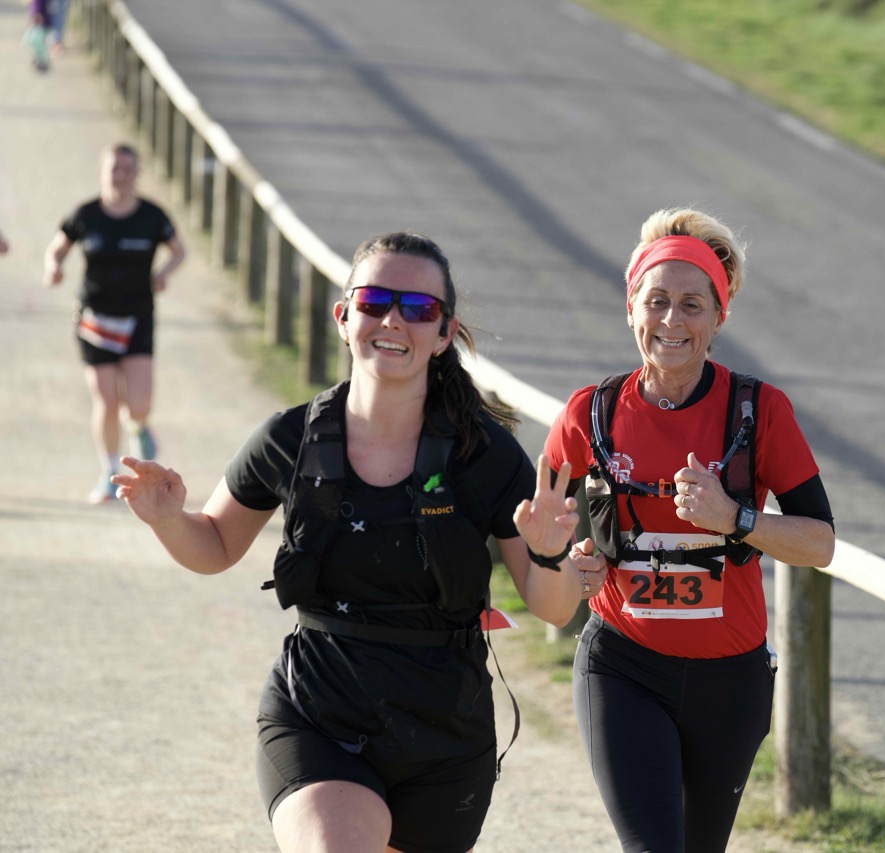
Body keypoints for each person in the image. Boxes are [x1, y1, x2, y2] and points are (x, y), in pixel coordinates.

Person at [112, 231, 604, 853]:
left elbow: (552, 607)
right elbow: (213, 545)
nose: (393, 320)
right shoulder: (290, 437)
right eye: (374, 301)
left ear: (444, 334)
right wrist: (167, 519)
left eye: (418, 308)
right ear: (344, 317)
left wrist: (551, 551)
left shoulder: (484, 454)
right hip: (319, 716)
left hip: (445, 737)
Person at [543, 207, 836, 852]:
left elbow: (820, 543)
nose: (672, 321)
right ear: (631, 309)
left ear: (719, 316)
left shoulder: (759, 411)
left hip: (730, 681)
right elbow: (539, 535)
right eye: (657, 302)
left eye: (692, 305)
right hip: (622, 665)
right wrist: (569, 563)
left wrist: (736, 518)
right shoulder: (590, 413)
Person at [44, 143, 186, 504]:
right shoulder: (86, 214)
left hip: (137, 316)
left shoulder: (152, 216)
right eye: (114, 169)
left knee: (138, 403)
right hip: (95, 318)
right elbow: (57, 247)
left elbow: (179, 251)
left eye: (127, 170)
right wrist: (54, 267)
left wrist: (163, 273)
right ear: (101, 173)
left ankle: (139, 426)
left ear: (136, 174)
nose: (120, 176)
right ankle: (109, 473)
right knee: (106, 401)